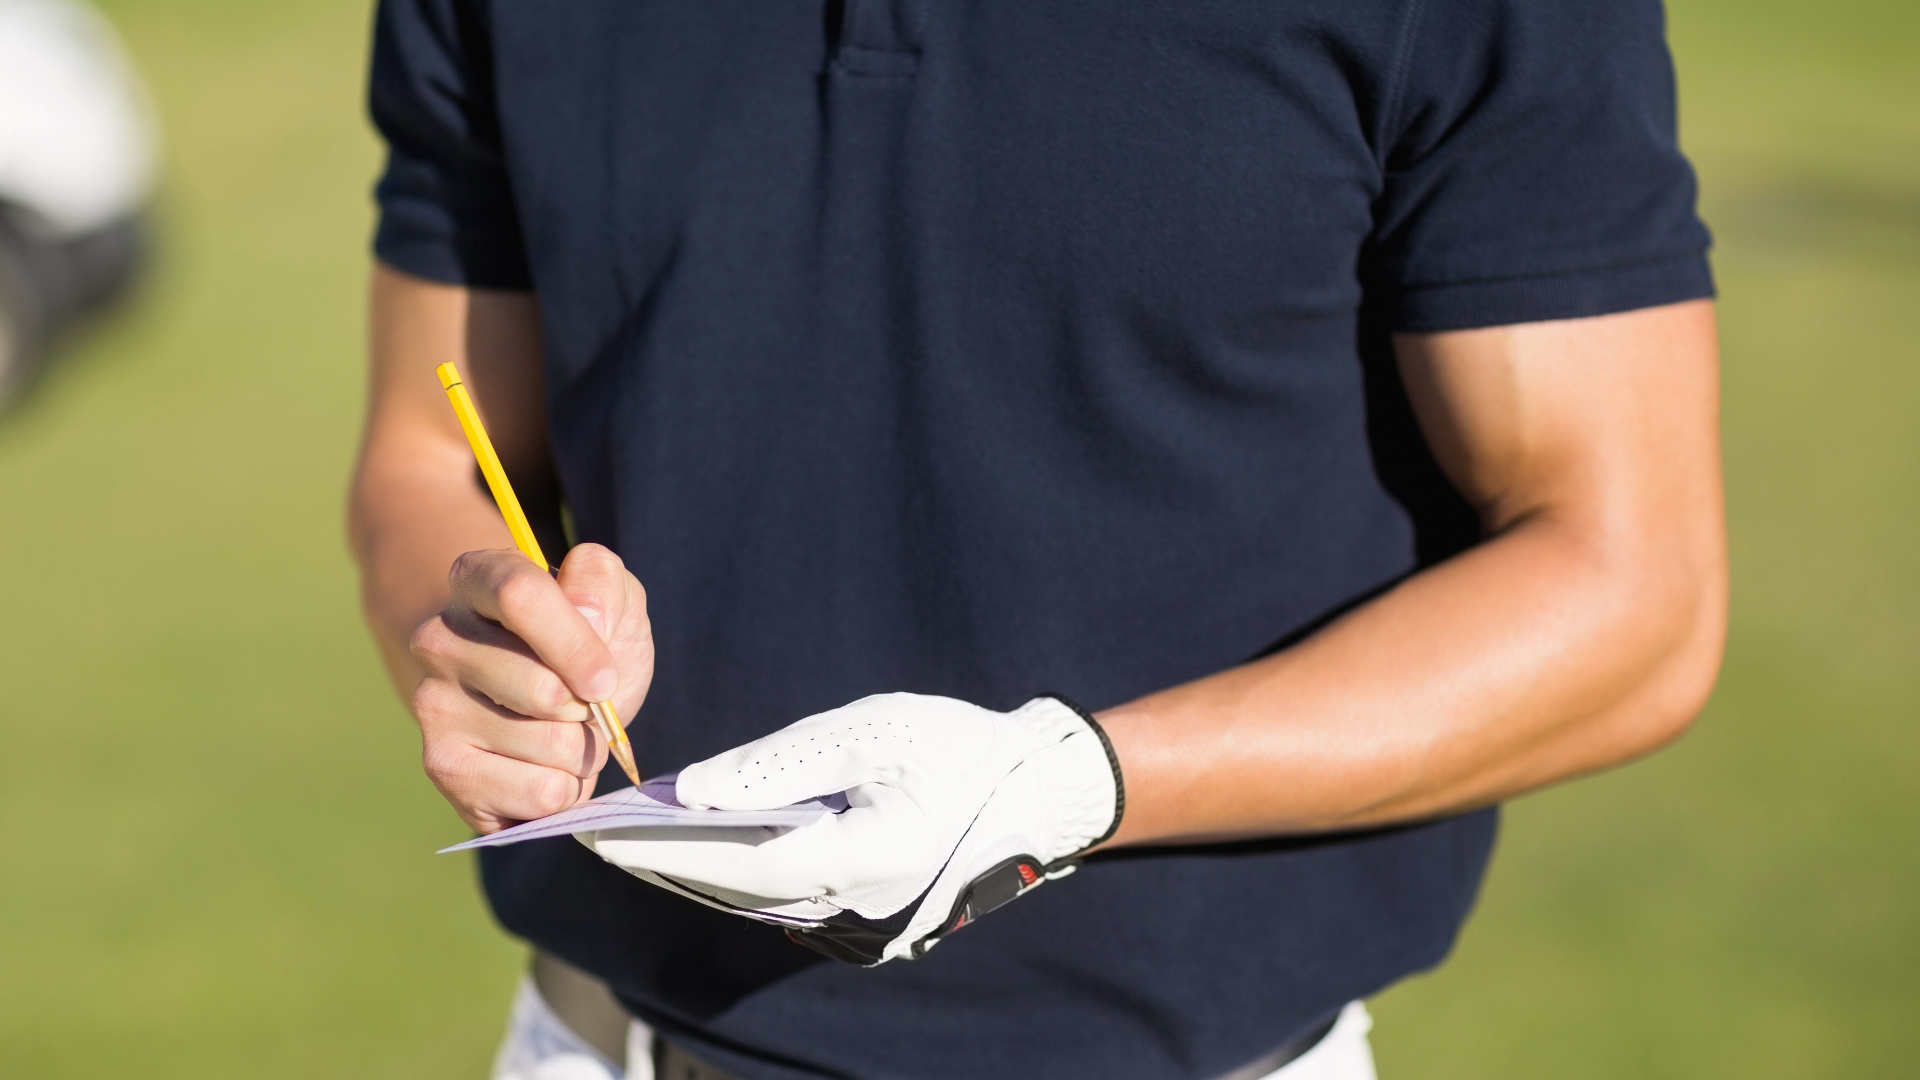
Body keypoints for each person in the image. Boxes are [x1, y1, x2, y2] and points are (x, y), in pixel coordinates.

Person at [349, 0, 1726, 1077]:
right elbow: (428, 454)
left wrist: (1059, 786)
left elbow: (1635, 591)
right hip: (597, 1047)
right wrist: (479, 641)